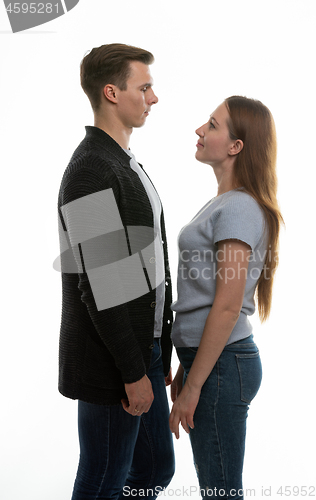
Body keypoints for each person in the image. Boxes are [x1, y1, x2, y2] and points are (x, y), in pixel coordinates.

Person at [57, 43, 174, 499]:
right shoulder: (90, 168)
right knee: (104, 477)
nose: (153, 97)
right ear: (111, 92)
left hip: (140, 351)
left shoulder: (124, 162)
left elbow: (145, 267)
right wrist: (131, 371)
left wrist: (158, 348)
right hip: (111, 361)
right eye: (144, 87)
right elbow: (102, 285)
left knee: (153, 471)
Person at [169, 96, 283, 500]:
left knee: (220, 493)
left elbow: (227, 304)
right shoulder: (225, 203)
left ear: (236, 146)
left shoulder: (237, 209)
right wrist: (191, 366)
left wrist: (195, 384)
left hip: (223, 367)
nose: (200, 130)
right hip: (216, 361)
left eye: (212, 125)